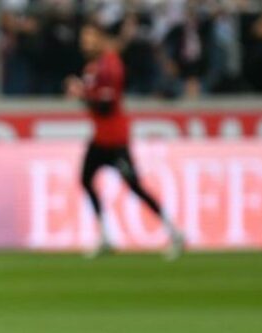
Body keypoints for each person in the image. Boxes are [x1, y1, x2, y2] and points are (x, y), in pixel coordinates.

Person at [66, 21, 184, 260]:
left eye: (90, 38)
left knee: (135, 187)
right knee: (86, 179)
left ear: (101, 39)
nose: (85, 43)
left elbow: (106, 106)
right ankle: (105, 237)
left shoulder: (110, 65)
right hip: (100, 139)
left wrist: (81, 93)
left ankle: (174, 232)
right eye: (83, 38)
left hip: (116, 140)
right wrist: (85, 93)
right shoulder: (93, 66)